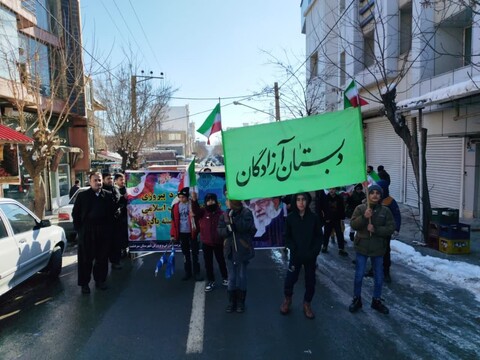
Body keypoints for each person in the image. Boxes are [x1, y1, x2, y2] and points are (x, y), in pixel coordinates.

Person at [349, 184, 395, 315]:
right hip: (362, 247)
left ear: (380, 196)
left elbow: (391, 227)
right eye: (372, 193)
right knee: (359, 275)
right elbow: (353, 224)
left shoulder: (385, 211)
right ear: (368, 195)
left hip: (378, 249)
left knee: (379, 277)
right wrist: (364, 217)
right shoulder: (360, 208)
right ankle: (357, 299)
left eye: (377, 193)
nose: (375, 195)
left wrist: (376, 230)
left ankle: (376, 300)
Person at [72, 172, 117, 294]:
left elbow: (112, 213)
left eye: (100, 180)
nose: (98, 182)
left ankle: (100, 281)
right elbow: (75, 214)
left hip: (103, 231)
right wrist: (79, 230)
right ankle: (84, 284)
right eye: (95, 180)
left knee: (102, 258)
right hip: (87, 231)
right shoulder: (83, 196)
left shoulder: (107, 195)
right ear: (90, 181)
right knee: (85, 259)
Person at [279, 192, 323, 319]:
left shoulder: (313, 218)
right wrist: (293, 249)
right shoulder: (291, 218)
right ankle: (287, 300)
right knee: (290, 279)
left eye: (304, 199)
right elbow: (287, 237)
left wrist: (314, 251)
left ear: (307, 201)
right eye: (298, 199)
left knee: (310, 281)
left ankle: (307, 304)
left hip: (310, 256)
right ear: (295, 202)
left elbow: (318, 237)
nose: (301, 202)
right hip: (296, 256)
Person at [218, 198, 256, 313]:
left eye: (228, 200)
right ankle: (232, 302)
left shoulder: (246, 213)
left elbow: (246, 227)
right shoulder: (225, 215)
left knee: (242, 276)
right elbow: (220, 230)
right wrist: (228, 229)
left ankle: (241, 302)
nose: (226, 202)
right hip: (229, 250)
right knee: (232, 277)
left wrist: (234, 221)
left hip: (243, 249)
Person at [191, 191, 228, 292]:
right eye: (208, 200)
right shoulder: (202, 212)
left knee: (221, 261)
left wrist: (225, 239)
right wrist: (194, 200)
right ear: (205, 202)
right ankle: (211, 281)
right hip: (206, 243)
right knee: (208, 264)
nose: (211, 202)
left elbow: (225, 228)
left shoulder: (221, 213)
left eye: (212, 200)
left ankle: (226, 278)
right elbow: (195, 211)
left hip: (218, 243)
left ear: (216, 201)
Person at [170, 187, 203, 281]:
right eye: (180, 197)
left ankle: (197, 272)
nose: (181, 199)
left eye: (183, 197)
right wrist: (173, 235)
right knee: (185, 254)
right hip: (182, 233)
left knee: (195, 254)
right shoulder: (175, 206)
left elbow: (200, 214)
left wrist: (194, 205)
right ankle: (187, 272)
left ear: (187, 197)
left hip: (193, 232)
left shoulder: (193, 205)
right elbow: (173, 222)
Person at [377, 179, 401, 283]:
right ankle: (373, 270)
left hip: (386, 231)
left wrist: (396, 229)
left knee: (386, 252)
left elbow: (397, 216)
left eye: (381, 189)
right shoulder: (374, 200)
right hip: (375, 231)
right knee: (373, 251)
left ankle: (386, 272)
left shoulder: (390, 201)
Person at [102, 172, 122, 270]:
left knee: (116, 243)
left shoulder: (115, 189)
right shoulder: (101, 191)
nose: (110, 180)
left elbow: (119, 200)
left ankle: (115, 261)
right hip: (105, 223)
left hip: (116, 221)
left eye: (111, 178)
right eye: (108, 178)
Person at [320, 188, 348, 256]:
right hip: (328, 219)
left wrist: (342, 218)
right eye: (330, 189)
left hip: (337, 219)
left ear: (335, 190)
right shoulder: (325, 198)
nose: (331, 191)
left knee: (339, 234)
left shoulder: (339, 198)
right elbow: (322, 209)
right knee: (326, 234)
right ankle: (324, 246)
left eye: (333, 189)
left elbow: (342, 208)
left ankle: (341, 249)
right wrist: (325, 218)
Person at [114, 173, 129, 258]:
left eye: (123, 179)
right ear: (116, 181)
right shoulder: (114, 190)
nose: (123, 181)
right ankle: (122, 250)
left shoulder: (127, 189)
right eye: (121, 179)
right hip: (119, 217)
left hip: (128, 216)